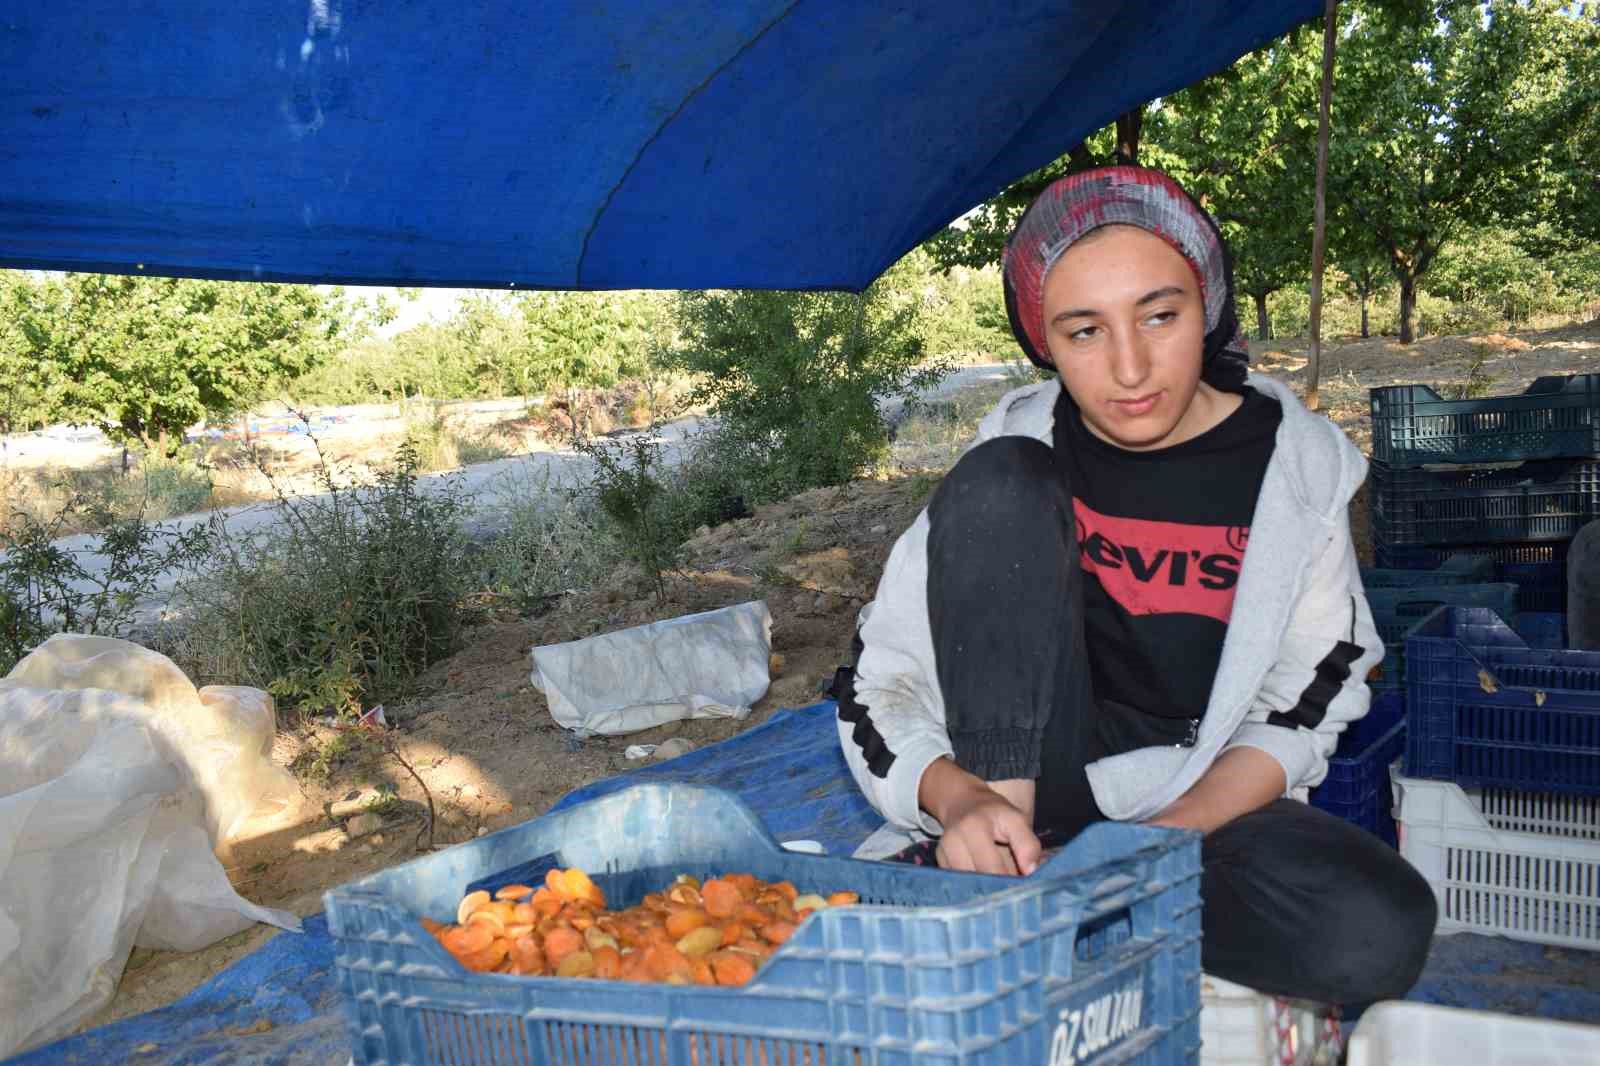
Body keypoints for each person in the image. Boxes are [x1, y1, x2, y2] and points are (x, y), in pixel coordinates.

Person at [834, 165, 1437, 1005]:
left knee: (1374, 931)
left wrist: (1154, 843)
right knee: (1003, 481)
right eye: (1084, 332)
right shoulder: (1011, 452)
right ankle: (997, 881)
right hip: (1015, 789)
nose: (1129, 367)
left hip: (1181, 798)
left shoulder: (1292, 471)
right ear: (1043, 341)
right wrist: (962, 799)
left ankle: (1047, 908)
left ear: (1209, 305)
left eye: (1160, 315)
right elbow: (878, 676)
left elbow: (1305, 699)